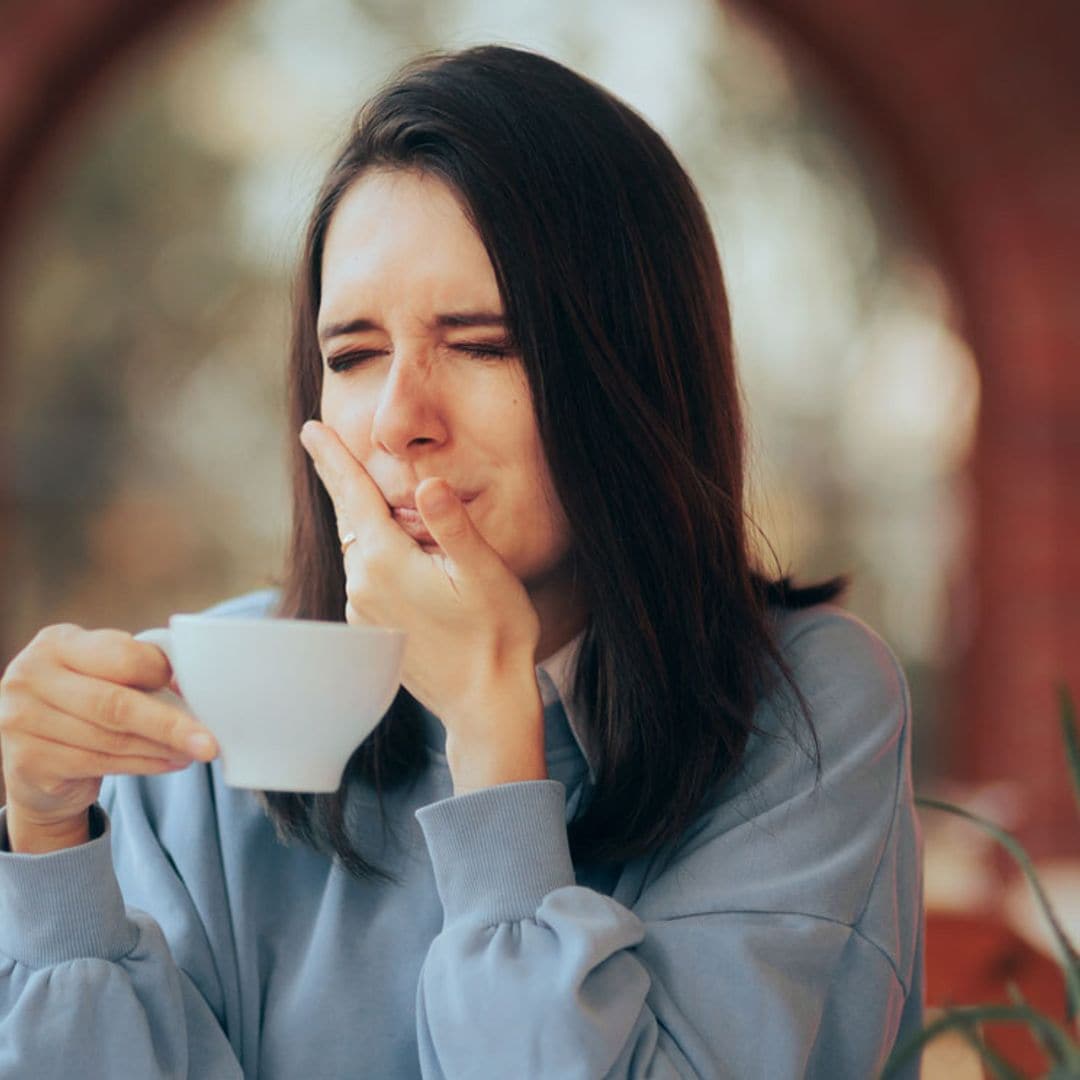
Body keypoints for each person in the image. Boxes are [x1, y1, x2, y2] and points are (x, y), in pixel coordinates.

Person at [0, 45, 923, 1079]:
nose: (400, 419)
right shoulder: (222, 701)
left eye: (483, 343)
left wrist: (492, 730)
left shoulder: (805, 710)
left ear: (635, 373)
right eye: (352, 355)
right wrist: (51, 844)